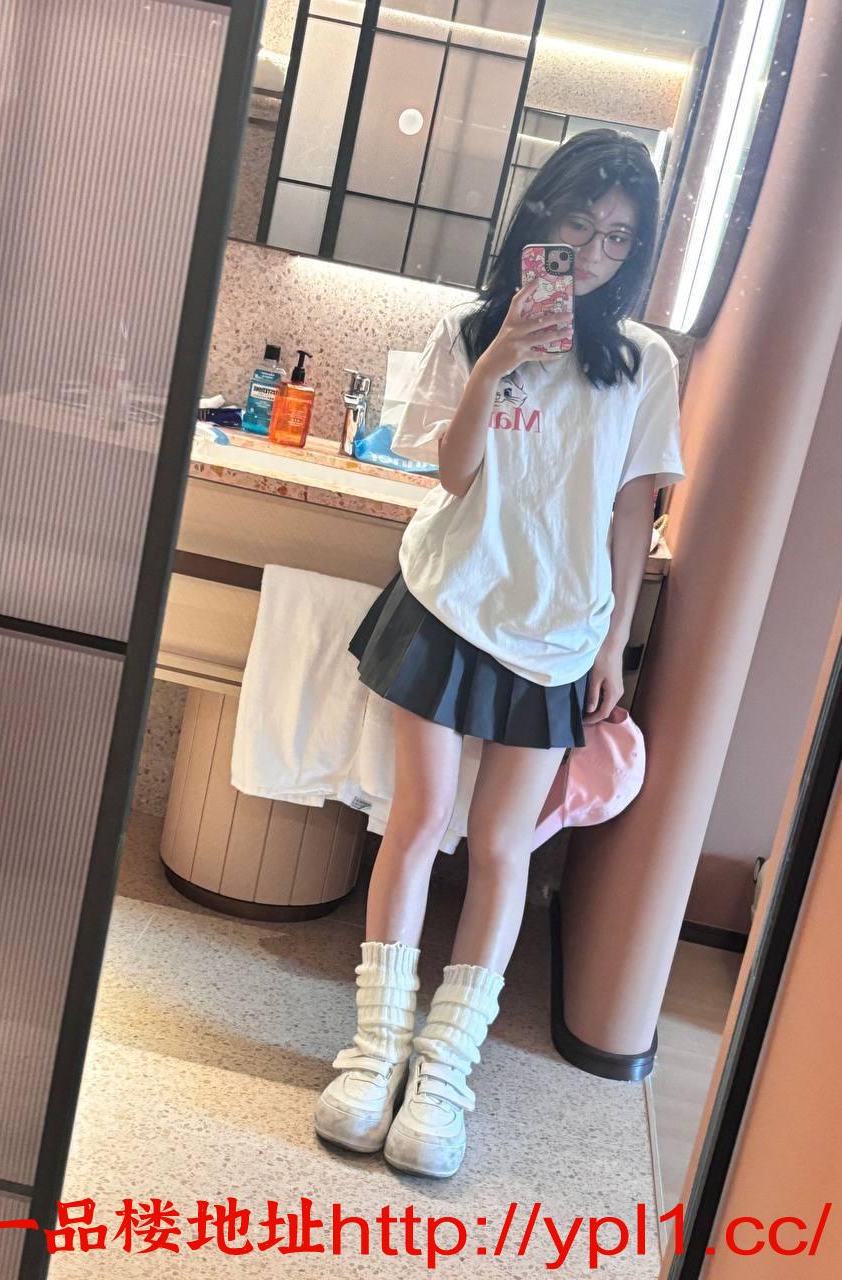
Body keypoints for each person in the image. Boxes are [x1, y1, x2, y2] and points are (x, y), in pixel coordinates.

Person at [314, 129, 687, 1177]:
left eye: (619, 236)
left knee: (502, 846)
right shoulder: (470, 329)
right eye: (580, 225)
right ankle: (375, 1051)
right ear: (540, 219)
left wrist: (613, 640)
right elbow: (451, 473)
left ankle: (444, 1070)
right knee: (418, 820)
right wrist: (497, 361)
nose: (597, 252)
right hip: (449, 598)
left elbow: (633, 509)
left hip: (558, 630)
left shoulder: (644, 363)